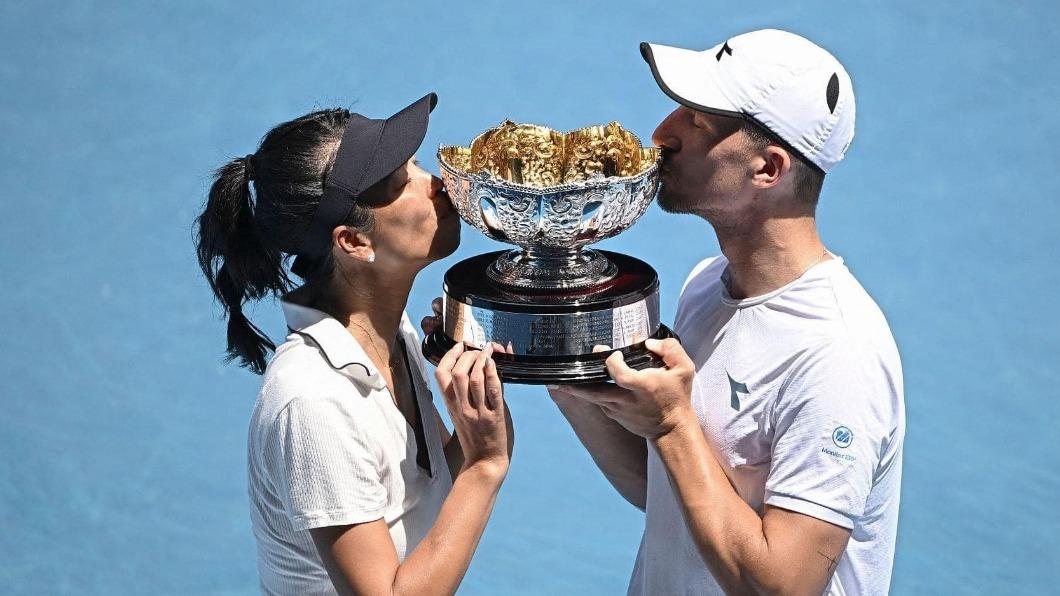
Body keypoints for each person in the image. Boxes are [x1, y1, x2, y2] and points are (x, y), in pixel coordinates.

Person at [550, 30, 905, 595]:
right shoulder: (704, 287)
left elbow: (782, 585)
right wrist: (569, 380)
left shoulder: (838, 354)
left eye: (697, 121)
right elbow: (665, 492)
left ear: (769, 168)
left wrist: (671, 425)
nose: (661, 134)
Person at [194, 93, 513, 596]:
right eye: (401, 182)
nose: (440, 183)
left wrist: (477, 412)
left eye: (415, 164)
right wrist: (485, 465)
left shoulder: (387, 334)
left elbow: (421, 504)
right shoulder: (315, 404)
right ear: (353, 242)